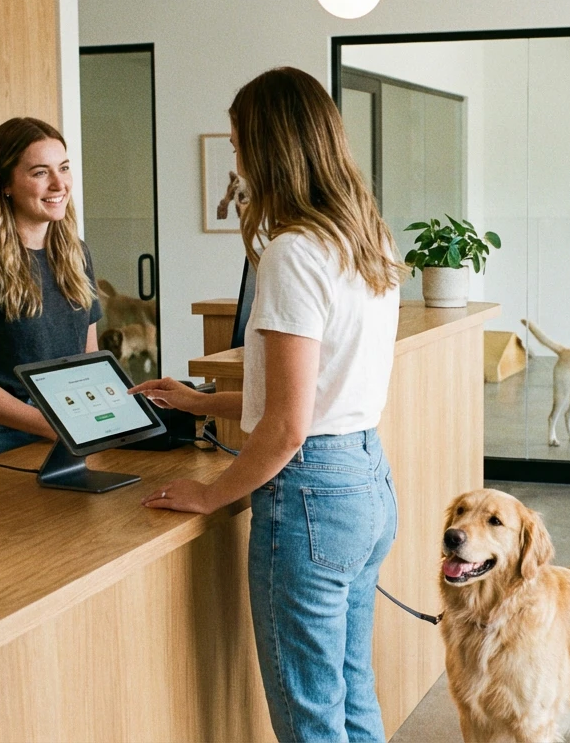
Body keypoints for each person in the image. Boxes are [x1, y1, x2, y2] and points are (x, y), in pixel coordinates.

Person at [130, 67, 402, 742]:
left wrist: (210, 494)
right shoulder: (366, 239)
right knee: (350, 693)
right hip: (366, 482)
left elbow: (285, 428)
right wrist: (201, 400)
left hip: (311, 495)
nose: (237, 161)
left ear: (268, 147)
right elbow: (314, 393)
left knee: (308, 715)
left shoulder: (291, 252)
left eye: (237, 144)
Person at [0, 117, 102, 468]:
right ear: (5, 184)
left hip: (64, 426)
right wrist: (54, 426)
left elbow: (89, 358)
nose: (59, 183)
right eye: (40, 172)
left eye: (64, 168)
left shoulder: (77, 254)